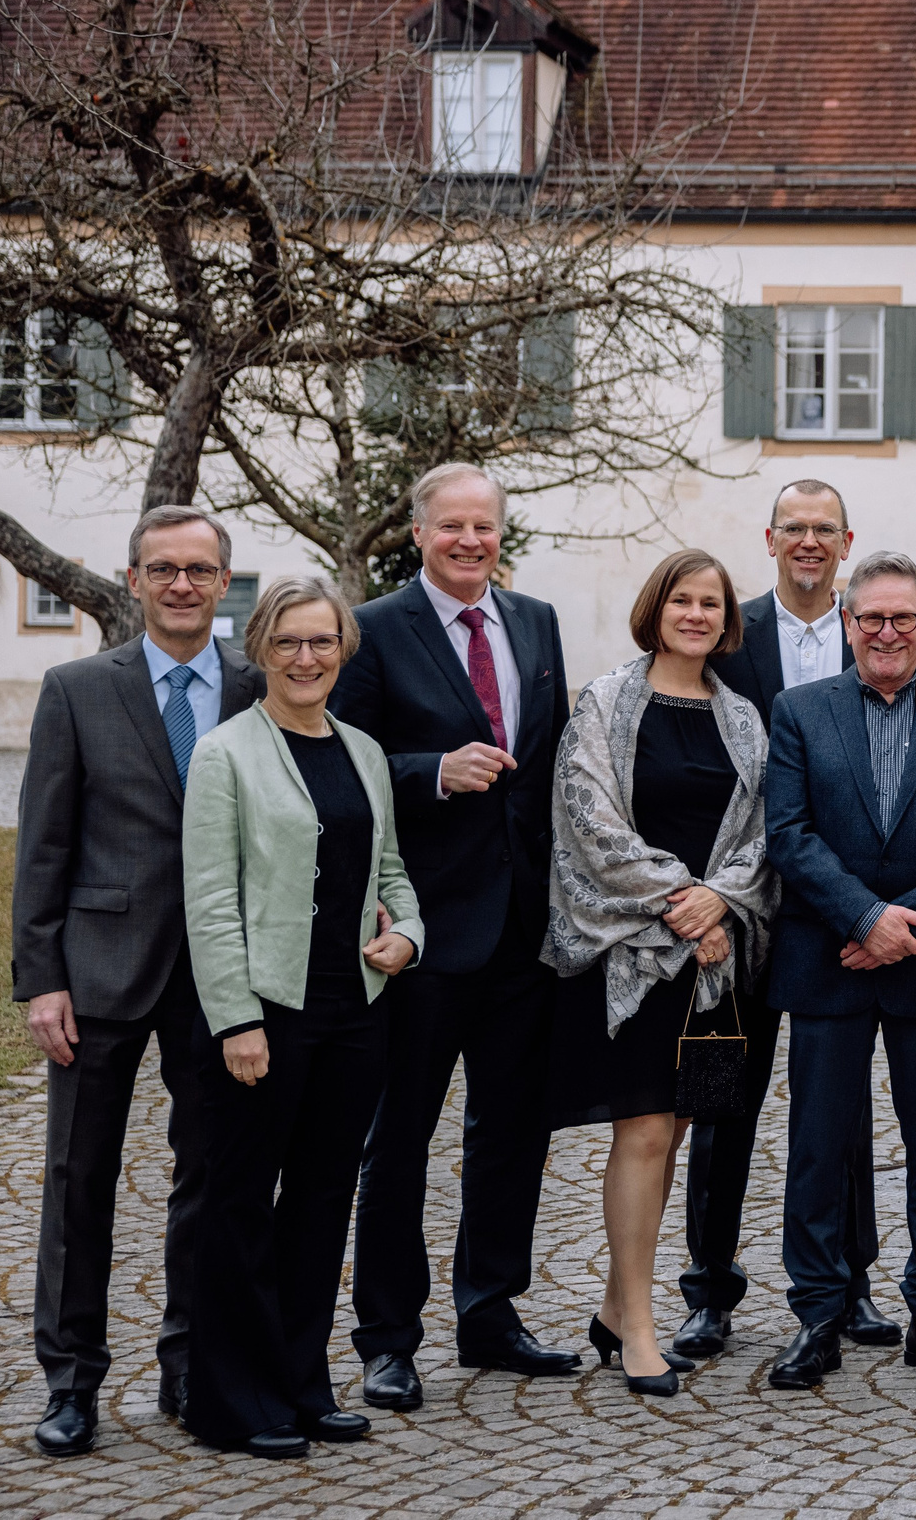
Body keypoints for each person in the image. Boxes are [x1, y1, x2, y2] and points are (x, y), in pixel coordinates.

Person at [12, 506, 265, 1456]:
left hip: (221, 978)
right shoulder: (76, 688)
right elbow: (44, 844)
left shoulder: (257, 686)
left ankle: (190, 1366)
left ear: (222, 582)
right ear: (133, 580)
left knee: (210, 1177)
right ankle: (71, 1382)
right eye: (164, 569)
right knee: (80, 1181)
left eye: (200, 570)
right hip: (100, 971)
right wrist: (42, 979)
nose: (182, 585)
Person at [332, 463, 577, 1407]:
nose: (470, 541)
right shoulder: (374, 629)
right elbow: (340, 761)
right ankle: (388, 1336)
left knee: (511, 1131)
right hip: (422, 929)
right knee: (398, 1138)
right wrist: (433, 770)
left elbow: (551, 763)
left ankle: (491, 1313)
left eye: (484, 527)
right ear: (419, 531)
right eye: (452, 528)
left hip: (524, 928)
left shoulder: (536, 623)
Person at [179, 576, 423, 1458]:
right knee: (240, 1206)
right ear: (261, 650)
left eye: (322, 642)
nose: (306, 658)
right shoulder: (226, 754)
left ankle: (302, 1385)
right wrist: (235, 1020)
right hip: (265, 1014)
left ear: (343, 649)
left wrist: (412, 938)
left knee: (322, 1202)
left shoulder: (361, 750)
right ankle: (231, 1403)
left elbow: (390, 873)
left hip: (354, 1013)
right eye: (288, 643)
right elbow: (208, 902)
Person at [760, 551, 916, 1390]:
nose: (887, 633)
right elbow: (789, 834)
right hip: (829, 958)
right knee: (818, 1147)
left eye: (903, 618)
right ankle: (820, 1316)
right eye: (871, 617)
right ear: (846, 620)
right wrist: (865, 918)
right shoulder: (798, 711)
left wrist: (908, 927)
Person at [544, 551, 780, 1398]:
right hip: (634, 958)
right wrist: (683, 902)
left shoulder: (746, 719)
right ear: (657, 607)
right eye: (682, 599)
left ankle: (614, 1307)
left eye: (710, 602)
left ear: (727, 619)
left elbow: (766, 831)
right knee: (641, 1132)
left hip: (717, 969)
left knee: (681, 1129)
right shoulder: (607, 702)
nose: (696, 614)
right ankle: (640, 1324)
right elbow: (587, 821)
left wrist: (720, 903)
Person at [673, 479, 894, 1361]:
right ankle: (709, 1292)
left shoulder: (875, 633)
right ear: (770, 539)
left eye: (824, 530)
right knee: (725, 1098)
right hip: (745, 908)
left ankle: (852, 1282)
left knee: (840, 1108)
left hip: (842, 904)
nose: (809, 542)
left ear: (848, 541)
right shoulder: (731, 639)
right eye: (794, 529)